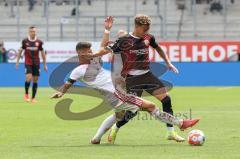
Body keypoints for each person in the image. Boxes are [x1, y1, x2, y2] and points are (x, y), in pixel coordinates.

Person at [51, 40, 199, 144]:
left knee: (118, 116)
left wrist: (107, 29)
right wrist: (62, 93)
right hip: (117, 95)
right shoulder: (78, 71)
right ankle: (181, 123)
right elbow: (68, 83)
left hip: (115, 95)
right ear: (81, 54)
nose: (91, 52)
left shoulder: (94, 61)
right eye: (88, 51)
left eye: (91, 50)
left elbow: (103, 45)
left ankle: (96, 139)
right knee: (151, 106)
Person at [83, 15, 200, 144]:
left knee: (166, 99)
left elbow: (158, 48)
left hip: (147, 76)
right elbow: (104, 49)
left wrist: (168, 62)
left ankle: (171, 132)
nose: (146, 32)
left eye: (147, 29)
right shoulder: (124, 41)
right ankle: (116, 127)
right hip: (132, 79)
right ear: (137, 27)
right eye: (144, 29)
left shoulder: (148, 37)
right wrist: (95, 52)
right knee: (133, 111)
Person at [16, 26, 48, 103]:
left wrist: (44, 64)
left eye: (34, 31)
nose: (32, 32)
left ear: (35, 32)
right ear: (29, 32)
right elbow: (20, 50)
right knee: (28, 78)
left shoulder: (39, 42)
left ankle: (33, 98)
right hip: (28, 63)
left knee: (35, 80)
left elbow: (42, 53)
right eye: (31, 31)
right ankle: (26, 94)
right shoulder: (25, 41)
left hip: (36, 63)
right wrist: (17, 62)